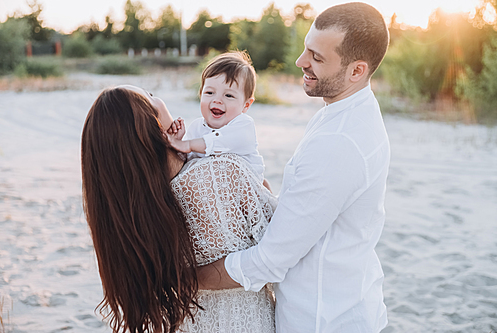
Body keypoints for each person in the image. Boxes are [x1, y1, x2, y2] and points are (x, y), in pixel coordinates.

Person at [198, 2, 391, 332]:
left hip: (321, 320)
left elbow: (269, 262)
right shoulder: (346, 112)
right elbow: (317, 215)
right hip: (349, 302)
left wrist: (180, 279)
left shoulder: (340, 141)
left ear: (356, 71)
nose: (301, 62)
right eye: (306, 49)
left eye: (317, 58)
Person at [81, 85, 277, 333]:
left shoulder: (130, 212)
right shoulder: (219, 172)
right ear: (150, 126)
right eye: (150, 96)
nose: (158, 98)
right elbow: (283, 248)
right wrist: (263, 186)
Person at [168, 51, 265, 183]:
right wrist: (179, 145)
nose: (217, 100)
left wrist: (188, 144)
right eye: (209, 92)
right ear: (200, 94)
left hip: (244, 194)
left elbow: (222, 142)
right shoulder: (196, 127)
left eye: (229, 95)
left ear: (246, 105)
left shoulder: (243, 125)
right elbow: (186, 163)